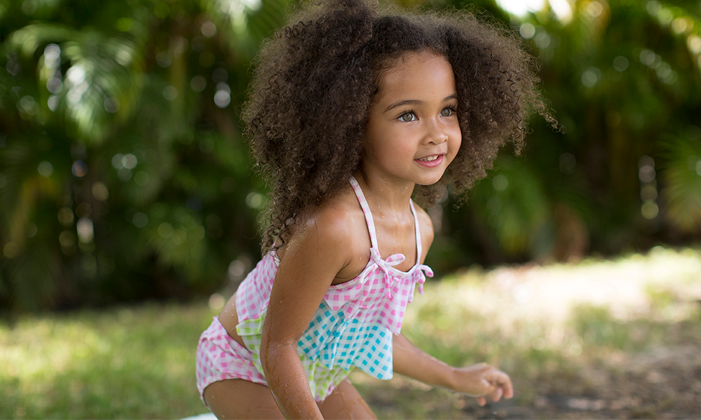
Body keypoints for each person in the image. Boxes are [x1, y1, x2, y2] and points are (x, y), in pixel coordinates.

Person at [196, 0, 554, 418]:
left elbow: (373, 335)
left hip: (314, 371)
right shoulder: (332, 228)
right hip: (241, 365)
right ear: (352, 122)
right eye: (407, 115)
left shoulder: (419, 230)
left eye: (448, 110)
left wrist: (454, 376)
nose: (436, 133)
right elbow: (278, 344)